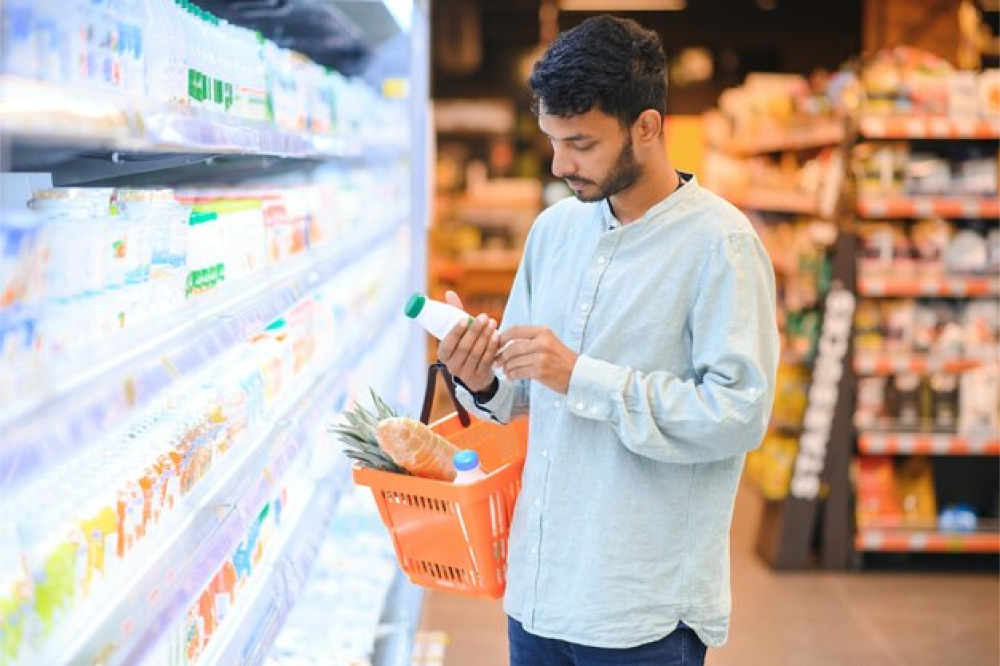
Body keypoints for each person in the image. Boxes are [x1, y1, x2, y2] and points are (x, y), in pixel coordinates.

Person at [437, 15, 778, 666]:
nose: (560, 163)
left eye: (582, 143)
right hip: (537, 595)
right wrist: (478, 374)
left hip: (641, 616)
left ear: (647, 127)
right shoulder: (553, 231)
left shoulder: (720, 246)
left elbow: (739, 414)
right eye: (553, 140)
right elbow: (516, 394)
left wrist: (580, 376)